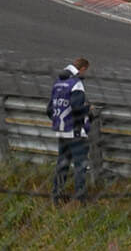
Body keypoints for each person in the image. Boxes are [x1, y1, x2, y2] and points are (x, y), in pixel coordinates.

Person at [47, 58, 92, 200]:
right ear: (83, 69)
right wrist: (89, 111)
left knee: (62, 166)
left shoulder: (58, 83)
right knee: (80, 167)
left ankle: (56, 195)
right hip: (76, 132)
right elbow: (77, 108)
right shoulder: (76, 84)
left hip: (61, 131)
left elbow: (49, 110)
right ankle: (81, 199)